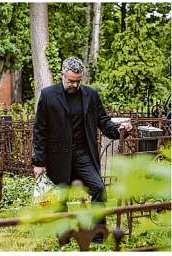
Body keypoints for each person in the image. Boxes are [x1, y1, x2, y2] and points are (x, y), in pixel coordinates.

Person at [32, 56, 132, 243]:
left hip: (82, 154)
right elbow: (39, 130)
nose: (75, 85)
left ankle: (96, 234)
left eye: (78, 81)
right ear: (62, 75)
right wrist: (38, 162)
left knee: (98, 189)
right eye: (71, 81)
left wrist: (119, 131)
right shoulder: (48, 95)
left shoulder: (91, 95)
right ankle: (63, 237)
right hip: (57, 157)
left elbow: (103, 121)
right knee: (60, 197)